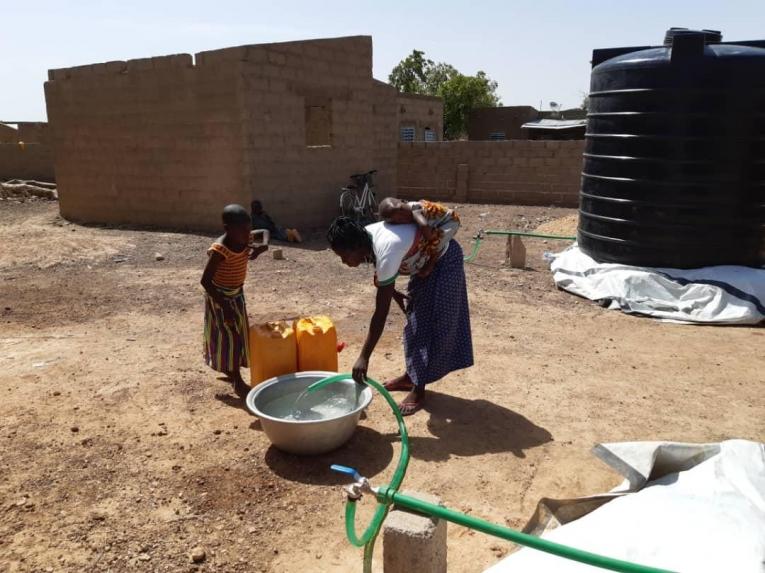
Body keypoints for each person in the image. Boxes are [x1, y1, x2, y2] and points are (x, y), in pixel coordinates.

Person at [327, 212, 473, 416]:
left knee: (427, 326)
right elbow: (384, 273)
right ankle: (410, 376)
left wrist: (364, 357)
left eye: (344, 256)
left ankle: (418, 389)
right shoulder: (365, 236)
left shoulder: (385, 249)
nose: (344, 262)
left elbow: (380, 313)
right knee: (414, 323)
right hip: (422, 263)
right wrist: (394, 292)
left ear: (356, 247)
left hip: (443, 262)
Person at [201, 204, 268, 398]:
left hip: (237, 295)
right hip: (220, 298)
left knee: (239, 336)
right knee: (229, 339)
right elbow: (205, 281)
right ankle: (237, 381)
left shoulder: (245, 238)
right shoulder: (219, 249)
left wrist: (262, 247)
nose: (247, 234)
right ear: (227, 229)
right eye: (242, 230)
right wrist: (225, 307)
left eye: (248, 229)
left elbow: (264, 233)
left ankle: (230, 371)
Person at [378, 197, 460, 279]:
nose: (404, 216)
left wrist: (417, 215)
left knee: (436, 242)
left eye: (401, 209)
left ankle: (431, 263)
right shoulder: (404, 217)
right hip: (432, 225)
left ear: (404, 201)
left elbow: (429, 236)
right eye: (399, 219)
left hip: (449, 221)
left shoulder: (417, 209)